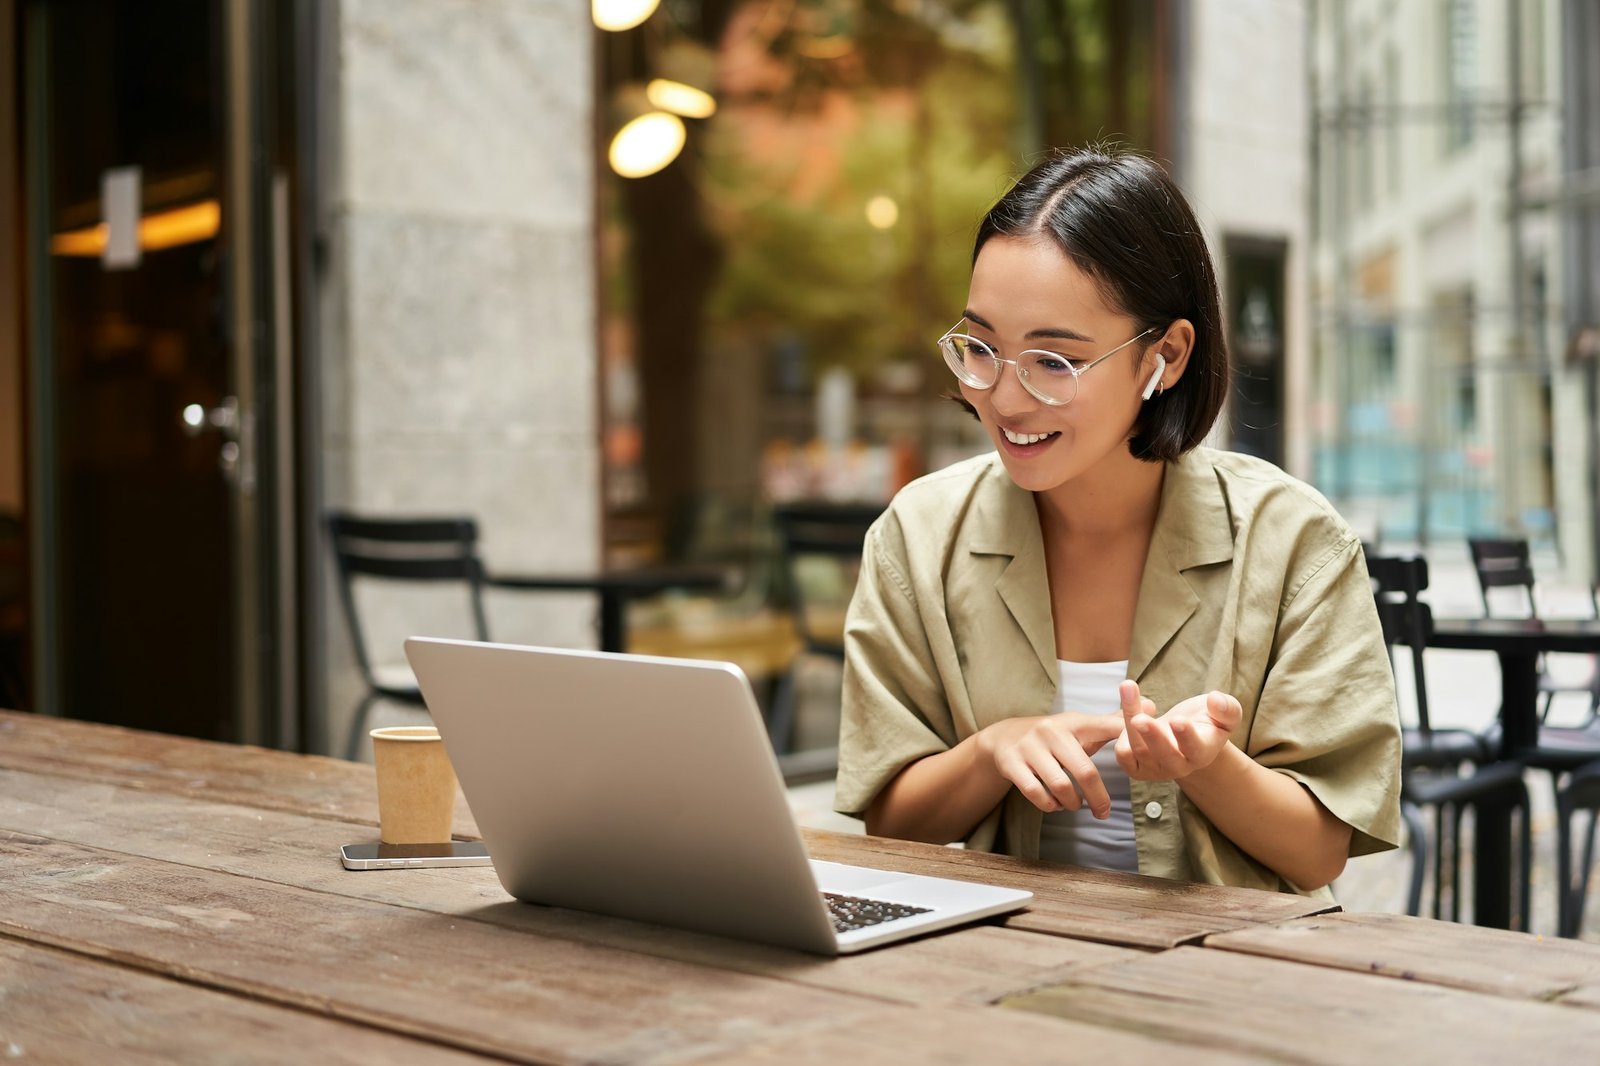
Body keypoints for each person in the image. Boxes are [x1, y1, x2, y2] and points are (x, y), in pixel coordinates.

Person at [833, 146, 1402, 897]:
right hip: (995, 964)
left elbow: (1319, 852)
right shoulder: (919, 535)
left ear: (1163, 355)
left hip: (1230, 978)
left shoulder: (1294, 542)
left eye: (1053, 362)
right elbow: (889, 823)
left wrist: (1207, 767)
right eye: (981, 348)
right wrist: (991, 751)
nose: (1003, 399)